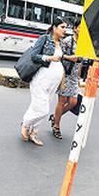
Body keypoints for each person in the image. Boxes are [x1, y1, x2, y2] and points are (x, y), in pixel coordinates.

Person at [20, 17, 68, 146]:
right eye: (62, 27)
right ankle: (25, 124)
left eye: (65, 27)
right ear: (54, 28)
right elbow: (34, 56)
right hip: (41, 80)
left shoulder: (62, 43)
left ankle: (33, 132)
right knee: (43, 109)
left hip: (53, 82)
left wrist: (62, 80)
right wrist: (49, 58)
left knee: (36, 106)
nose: (65, 30)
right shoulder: (44, 39)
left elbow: (62, 62)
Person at [50, 18, 83, 139]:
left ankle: (55, 117)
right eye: (80, 27)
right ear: (75, 29)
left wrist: (79, 77)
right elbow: (60, 56)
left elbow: (81, 62)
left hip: (74, 76)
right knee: (62, 101)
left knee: (73, 102)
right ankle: (56, 126)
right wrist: (71, 58)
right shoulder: (68, 41)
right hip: (65, 74)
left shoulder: (83, 44)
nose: (82, 30)